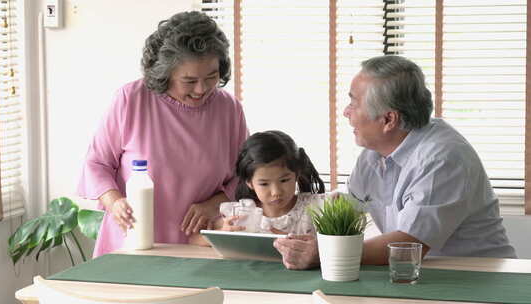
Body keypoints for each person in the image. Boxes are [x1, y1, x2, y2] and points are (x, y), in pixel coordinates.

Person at [274, 55, 516, 269]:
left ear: (389, 119)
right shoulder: (374, 152)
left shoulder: (442, 159)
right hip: (416, 273)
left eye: (353, 103)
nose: (346, 112)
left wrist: (327, 253)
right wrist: (280, 229)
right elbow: (350, 208)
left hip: (475, 278)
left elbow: (408, 244)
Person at [77, 11, 248, 257]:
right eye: (189, 81)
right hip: (132, 242)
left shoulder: (229, 109)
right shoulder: (131, 100)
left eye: (211, 76)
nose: (202, 89)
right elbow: (96, 164)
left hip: (200, 245)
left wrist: (213, 205)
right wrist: (114, 202)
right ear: (165, 72)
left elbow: (246, 175)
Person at [189, 130, 332, 246]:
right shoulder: (241, 214)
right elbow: (193, 240)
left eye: (284, 180)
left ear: (297, 174)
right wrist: (223, 234)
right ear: (249, 182)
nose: (276, 192)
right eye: (264, 184)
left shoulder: (317, 208)